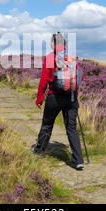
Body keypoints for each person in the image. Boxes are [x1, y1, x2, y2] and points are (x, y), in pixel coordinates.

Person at [32, 32, 85, 170]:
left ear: (54, 44)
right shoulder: (72, 58)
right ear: (65, 44)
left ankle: (39, 151)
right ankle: (78, 160)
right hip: (71, 98)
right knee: (71, 129)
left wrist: (39, 98)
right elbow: (80, 78)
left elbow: (44, 79)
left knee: (47, 125)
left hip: (54, 97)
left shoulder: (51, 57)